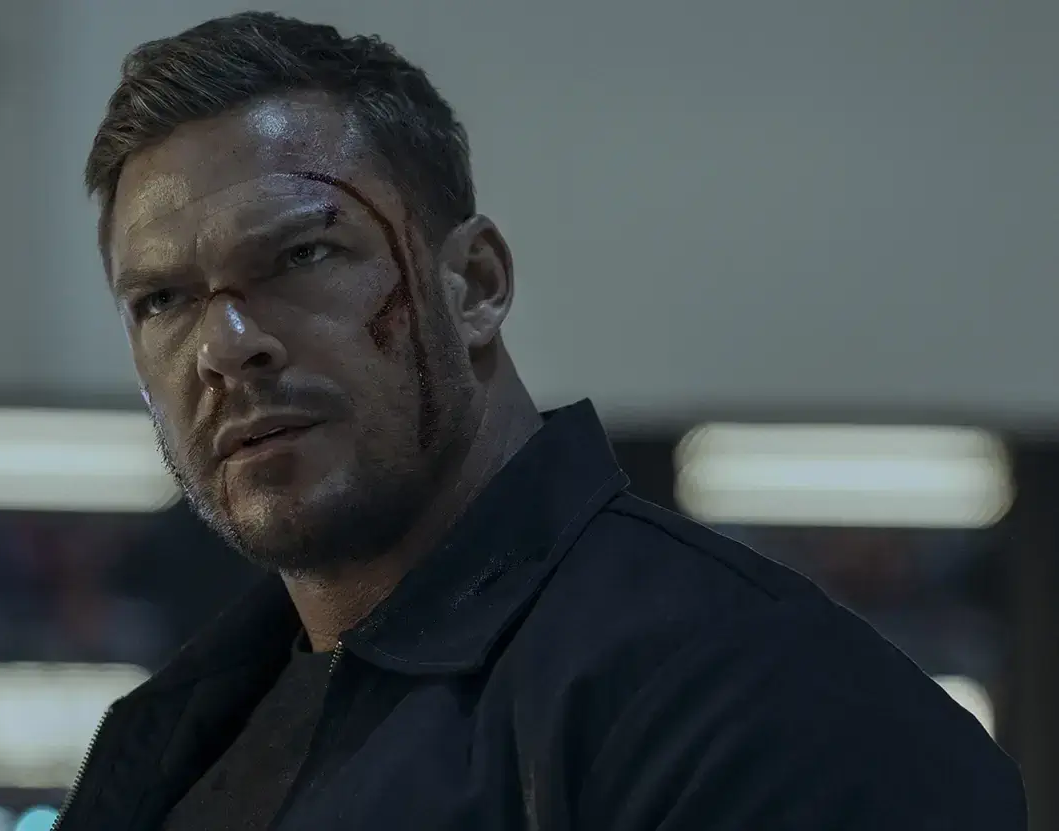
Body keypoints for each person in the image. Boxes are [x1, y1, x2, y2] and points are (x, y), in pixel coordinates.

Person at [52, 12, 1026, 830]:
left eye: (301, 255)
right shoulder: (176, 742)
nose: (224, 346)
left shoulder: (760, 699)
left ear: (474, 285)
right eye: (162, 300)